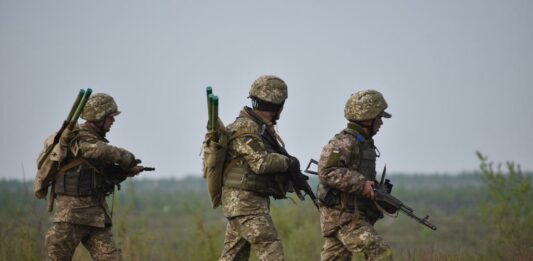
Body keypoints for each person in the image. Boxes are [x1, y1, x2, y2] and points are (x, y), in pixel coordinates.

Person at [44, 93, 144, 261]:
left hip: (95, 217)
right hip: (71, 216)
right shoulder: (78, 137)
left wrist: (124, 172)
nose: (113, 120)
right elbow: (98, 151)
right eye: (110, 117)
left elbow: (100, 173)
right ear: (98, 116)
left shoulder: (95, 139)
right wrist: (126, 157)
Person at [218, 75, 298, 261]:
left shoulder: (259, 128)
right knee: (271, 249)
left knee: (234, 256)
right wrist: (289, 162)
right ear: (277, 105)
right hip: (246, 205)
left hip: (243, 204)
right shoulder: (246, 127)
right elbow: (261, 162)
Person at [317, 90, 393, 261]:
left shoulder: (362, 143)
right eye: (379, 117)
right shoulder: (344, 142)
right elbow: (326, 171)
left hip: (349, 216)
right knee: (380, 252)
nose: (381, 122)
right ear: (368, 117)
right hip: (343, 217)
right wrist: (361, 184)